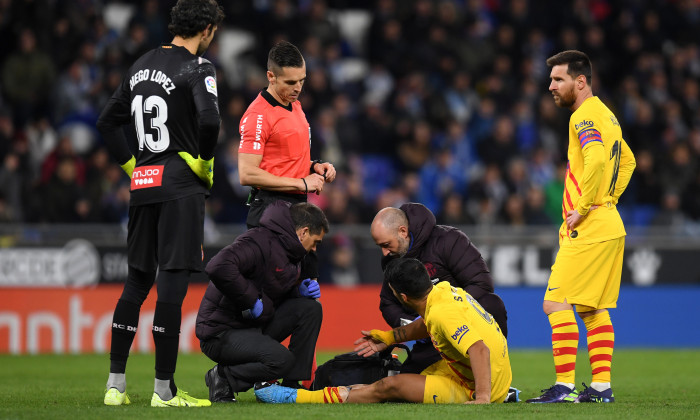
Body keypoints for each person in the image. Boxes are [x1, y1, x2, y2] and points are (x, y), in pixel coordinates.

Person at [96, 0, 224, 408]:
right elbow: (209, 121)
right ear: (205, 28)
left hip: (143, 185)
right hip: (180, 188)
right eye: (214, 32)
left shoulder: (140, 65)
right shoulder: (199, 67)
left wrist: (134, 165)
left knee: (136, 281)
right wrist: (203, 162)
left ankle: (115, 386)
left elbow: (107, 122)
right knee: (171, 282)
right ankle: (163, 390)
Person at [526, 50, 636, 404]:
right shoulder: (608, 115)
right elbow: (628, 161)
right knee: (591, 307)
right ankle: (601, 388)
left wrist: (586, 205)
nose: (551, 86)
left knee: (555, 301)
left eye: (558, 80)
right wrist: (609, 199)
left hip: (588, 225)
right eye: (551, 79)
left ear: (580, 81)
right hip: (609, 222)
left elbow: (597, 157)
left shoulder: (583, 116)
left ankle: (564, 387)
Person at [254, 258, 512, 404]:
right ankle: (319, 394)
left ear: (403, 296)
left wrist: (483, 399)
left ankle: (293, 398)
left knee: (388, 387)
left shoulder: (443, 313)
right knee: (387, 384)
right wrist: (390, 337)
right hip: (489, 375)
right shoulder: (441, 292)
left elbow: (479, 349)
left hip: (478, 386)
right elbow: (428, 325)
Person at [196, 201, 329, 402]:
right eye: (316, 241)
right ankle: (223, 377)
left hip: (250, 326)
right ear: (303, 232)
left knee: (310, 308)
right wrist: (252, 300)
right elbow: (218, 266)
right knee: (282, 360)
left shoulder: (293, 254)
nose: (315, 249)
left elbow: (269, 288)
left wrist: (296, 292)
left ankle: (290, 386)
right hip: (219, 332)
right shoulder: (259, 240)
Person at [370, 203, 508, 374]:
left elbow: (481, 283)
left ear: (403, 232)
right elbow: (388, 303)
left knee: (492, 305)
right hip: (430, 335)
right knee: (402, 386)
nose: (384, 252)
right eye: (380, 246)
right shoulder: (393, 258)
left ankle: (493, 375)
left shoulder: (449, 240)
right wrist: (411, 324)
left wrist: (446, 314)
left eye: (386, 244)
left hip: (464, 326)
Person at [238, 40, 336, 281]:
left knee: (305, 293)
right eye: (290, 82)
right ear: (271, 76)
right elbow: (247, 174)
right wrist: (303, 183)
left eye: (302, 80)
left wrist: (314, 166)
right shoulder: (257, 115)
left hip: (297, 209)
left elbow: (286, 157)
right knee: (272, 290)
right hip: (271, 208)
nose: (298, 88)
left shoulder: (295, 105)